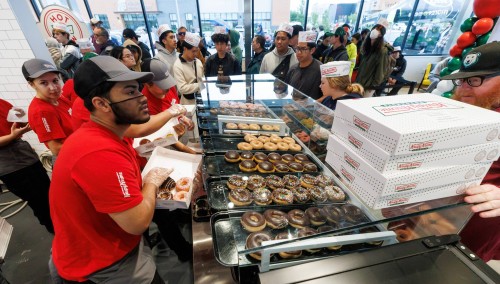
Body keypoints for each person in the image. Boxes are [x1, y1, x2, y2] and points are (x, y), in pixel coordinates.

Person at [49, 55, 182, 283]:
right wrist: (151, 181)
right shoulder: (99, 152)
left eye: (139, 89)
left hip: (109, 247)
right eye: (130, 92)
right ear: (101, 104)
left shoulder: (109, 135)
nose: (142, 98)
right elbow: (137, 222)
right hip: (102, 266)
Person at [439, 41, 500, 262]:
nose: (463, 88)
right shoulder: (463, 112)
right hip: (432, 220)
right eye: (462, 80)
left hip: (475, 229)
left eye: (475, 80)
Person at [0, 99, 54, 234]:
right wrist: (13, 136)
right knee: (39, 203)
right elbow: (12, 134)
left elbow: (20, 124)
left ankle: (64, 229)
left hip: (27, 157)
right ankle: (57, 233)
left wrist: (23, 117)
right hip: (10, 167)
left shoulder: (2, 103)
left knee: (49, 195)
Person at [22, 59, 73, 159]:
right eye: (44, 83)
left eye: (55, 80)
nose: (53, 88)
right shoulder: (42, 111)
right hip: (70, 156)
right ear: (32, 84)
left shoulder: (59, 98)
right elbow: (56, 149)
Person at [355, 19, 392, 97]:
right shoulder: (367, 47)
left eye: (379, 29)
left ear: (381, 34)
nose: (375, 30)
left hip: (368, 86)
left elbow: (380, 72)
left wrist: (372, 86)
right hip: (359, 82)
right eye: (375, 28)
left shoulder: (382, 51)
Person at [285, 31, 322, 100]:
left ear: (312, 50)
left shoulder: (320, 69)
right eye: (298, 48)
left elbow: (327, 95)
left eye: (303, 49)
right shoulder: (293, 69)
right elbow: (287, 91)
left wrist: (311, 104)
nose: (298, 52)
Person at [173, 32, 204, 105]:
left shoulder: (198, 62)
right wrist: (200, 85)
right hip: (187, 103)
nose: (196, 54)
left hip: (202, 100)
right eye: (193, 51)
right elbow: (182, 88)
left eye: (197, 51)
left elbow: (202, 78)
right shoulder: (178, 65)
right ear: (185, 49)